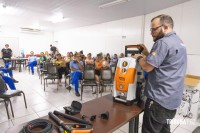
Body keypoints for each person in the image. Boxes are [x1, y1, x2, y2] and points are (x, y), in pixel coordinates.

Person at [133, 14, 187, 133]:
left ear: (166, 26)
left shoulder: (163, 42)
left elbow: (147, 67)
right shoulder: (179, 42)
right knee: (164, 129)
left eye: (154, 29)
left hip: (159, 100)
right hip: (172, 100)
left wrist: (139, 58)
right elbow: (164, 63)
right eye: (151, 29)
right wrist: (147, 52)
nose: (151, 32)